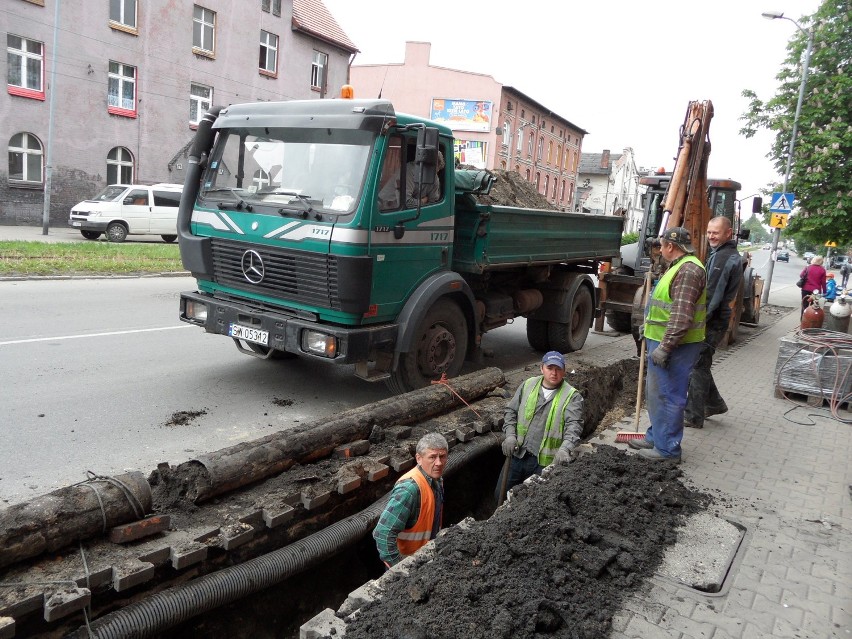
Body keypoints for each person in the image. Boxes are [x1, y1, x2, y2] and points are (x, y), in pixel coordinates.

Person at [628, 227, 706, 462]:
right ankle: (656, 437)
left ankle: (668, 450)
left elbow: (682, 315)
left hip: (676, 347)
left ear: (670, 246)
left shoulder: (689, 270)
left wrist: (666, 346)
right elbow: (666, 307)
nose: (659, 250)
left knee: (669, 395)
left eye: (661, 246)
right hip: (662, 340)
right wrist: (648, 325)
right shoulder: (678, 266)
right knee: (657, 394)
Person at [684, 217, 742, 429]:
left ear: (728, 233)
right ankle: (715, 403)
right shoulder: (721, 254)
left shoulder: (724, 258)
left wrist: (695, 323)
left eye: (715, 232)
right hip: (716, 319)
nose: (711, 236)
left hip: (712, 321)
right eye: (709, 232)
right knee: (702, 363)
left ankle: (693, 416)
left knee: (697, 365)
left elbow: (711, 297)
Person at [499, 350, 584, 493]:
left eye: (558, 369)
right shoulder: (528, 385)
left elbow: (574, 426)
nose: (554, 373)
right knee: (500, 494)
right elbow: (511, 411)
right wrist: (510, 435)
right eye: (550, 368)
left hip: (543, 464)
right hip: (518, 454)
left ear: (564, 371)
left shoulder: (572, 396)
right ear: (541, 368)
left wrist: (565, 449)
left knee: (529, 504)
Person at [373, 432, 448, 568]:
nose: (439, 463)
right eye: (432, 457)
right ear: (419, 458)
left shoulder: (437, 480)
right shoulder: (409, 490)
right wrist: (399, 569)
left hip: (425, 559)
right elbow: (382, 533)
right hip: (407, 564)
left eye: (442, 456)